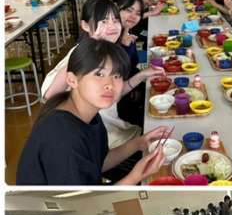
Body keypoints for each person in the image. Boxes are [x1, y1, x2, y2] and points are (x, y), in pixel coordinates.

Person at [17, 39, 168, 185]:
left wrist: (140, 143)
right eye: (99, 74)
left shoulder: (88, 113)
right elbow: (79, 201)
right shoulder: (63, 138)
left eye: (116, 76)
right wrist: (135, 177)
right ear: (72, 80)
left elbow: (98, 163)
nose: (109, 85)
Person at [40, 0, 164, 152]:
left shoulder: (109, 52)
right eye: (104, 21)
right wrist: (91, 45)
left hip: (115, 131)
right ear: (85, 26)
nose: (112, 26)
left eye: (115, 20)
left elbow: (115, 92)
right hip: (101, 144)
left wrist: (143, 75)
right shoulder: (79, 54)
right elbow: (49, 96)